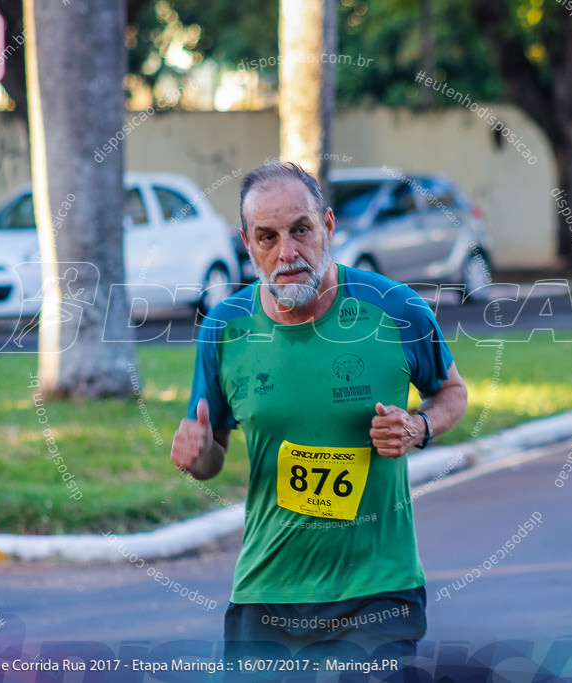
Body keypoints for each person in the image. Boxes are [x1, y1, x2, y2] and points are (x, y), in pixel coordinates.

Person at [170, 162, 468, 664]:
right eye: (267, 237)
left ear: (328, 226)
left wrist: (418, 426)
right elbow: (213, 452)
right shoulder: (225, 329)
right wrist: (197, 457)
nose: (287, 253)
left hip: (378, 590)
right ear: (247, 244)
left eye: (301, 230)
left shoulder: (395, 309)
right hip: (266, 593)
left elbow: (451, 392)